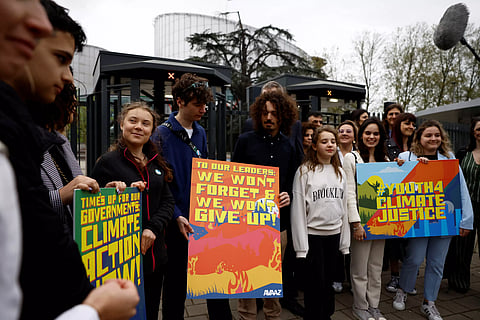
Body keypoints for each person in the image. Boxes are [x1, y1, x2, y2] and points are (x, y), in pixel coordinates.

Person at [0, 1, 139, 319]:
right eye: (60, 60)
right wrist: (92, 312)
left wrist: (105, 196)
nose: (65, 79)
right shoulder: (15, 139)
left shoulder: (46, 141)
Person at [151, 73, 232, 320]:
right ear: (179, 101)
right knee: (175, 284)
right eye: (197, 104)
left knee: (214, 278)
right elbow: (160, 184)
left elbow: (205, 169)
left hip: (203, 218)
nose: (203, 109)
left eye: (204, 104)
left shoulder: (200, 132)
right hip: (176, 223)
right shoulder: (160, 135)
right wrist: (175, 215)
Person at [91, 102, 174, 320]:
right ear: (121, 124)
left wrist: (153, 228)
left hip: (155, 256)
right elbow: (91, 209)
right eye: (133, 121)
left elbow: (167, 201)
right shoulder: (107, 163)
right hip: (123, 260)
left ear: (152, 130)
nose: (139, 127)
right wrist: (110, 193)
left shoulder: (157, 162)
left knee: (151, 310)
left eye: (146, 124)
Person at [393, 120, 473, 320]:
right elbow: (394, 182)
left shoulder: (449, 158)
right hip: (420, 221)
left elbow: (461, 188)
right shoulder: (406, 157)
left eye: (437, 135)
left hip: (445, 218)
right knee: (414, 258)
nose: (433, 139)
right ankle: (403, 289)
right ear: (419, 137)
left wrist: (466, 220)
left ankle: (429, 302)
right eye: (428, 135)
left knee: (437, 263)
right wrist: (400, 167)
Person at [233, 90, 299, 320]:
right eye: (264, 113)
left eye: (274, 113)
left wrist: (288, 195)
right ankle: (246, 315)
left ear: (283, 116)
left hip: (278, 223)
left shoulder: (289, 146)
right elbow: (233, 178)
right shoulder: (244, 141)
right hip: (248, 223)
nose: (268, 117)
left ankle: (273, 314)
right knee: (247, 273)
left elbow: (293, 182)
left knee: (273, 275)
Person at [291, 126, 350, 320]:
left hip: (333, 236)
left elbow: (344, 207)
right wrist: (301, 247)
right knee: (314, 284)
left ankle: (327, 315)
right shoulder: (304, 171)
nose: (330, 145)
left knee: (329, 284)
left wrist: (344, 243)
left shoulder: (340, 171)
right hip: (312, 237)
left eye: (333, 141)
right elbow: (298, 209)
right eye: (324, 141)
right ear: (314, 146)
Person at [344, 118, 389, 320]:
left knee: (376, 267)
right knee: (360, 268)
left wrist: (400, 167)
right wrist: (356, 224)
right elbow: (349, 193)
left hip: (382, 223)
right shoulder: (351, 158)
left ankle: (374, 306)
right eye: (368, 133)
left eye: (376, 134)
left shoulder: (386, 160)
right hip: (361, 223)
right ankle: (360, 306)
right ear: (360, 135)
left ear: (381, 137)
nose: (372, 137)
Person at [445, 116, 480, 293]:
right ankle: (459, 281)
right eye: (479, 129)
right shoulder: (463, 154)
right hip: (467, 204)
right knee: (462, 245)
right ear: (473, 132)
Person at [384, 113, 416, 294]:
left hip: (413, 200)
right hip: (393, 200)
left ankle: (408, 277)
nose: (410, 126)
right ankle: (395, 276)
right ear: (398, 125)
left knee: (412, 241)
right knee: (394, 240)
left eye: (413, 124)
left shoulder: (417, 146)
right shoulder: (388, 145)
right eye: (407, 123)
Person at [332, 120, 358, 293]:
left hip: (354, 203)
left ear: (355, 136)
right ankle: (337, 277)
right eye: (341, 130)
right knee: (337, 243)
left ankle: (352, 278)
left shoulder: (358, 155)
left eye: (349, 131)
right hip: (334, 202)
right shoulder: (332, 152)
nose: (344, 133)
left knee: (352, 244)